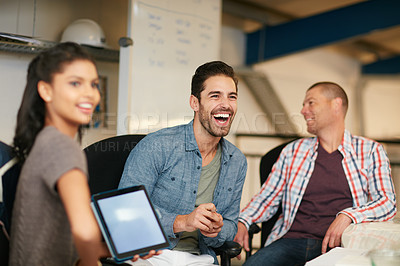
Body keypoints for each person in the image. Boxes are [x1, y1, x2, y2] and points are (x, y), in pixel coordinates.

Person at [9, 42, 160, 266]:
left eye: (94, 84)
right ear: (46, 90)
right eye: (75, 83)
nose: (89, 94)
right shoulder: (61, 147)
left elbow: (66, 239)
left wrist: (114, 248)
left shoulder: (45, 139)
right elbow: (84, 232)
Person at [234, 82, 397, 266]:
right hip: (291, 241)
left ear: (336, 105)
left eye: (311, 103)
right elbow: (266, 198)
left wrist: (349, 215)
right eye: (304, 105)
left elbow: (387, 202)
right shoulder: (293, 151)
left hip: (341, 246)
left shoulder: (370, 151)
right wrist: (243, 220)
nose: (303, 111)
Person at [119, 61, 247, 265]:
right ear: (195, 103)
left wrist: (218, 229)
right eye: (215, 96)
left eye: (232, 96)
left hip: (199, 258)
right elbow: (125, 215)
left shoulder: (237, 161)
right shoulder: (157, 145)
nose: (226, 104)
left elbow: (231, 224)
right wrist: (183, 222)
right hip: (148, 255)